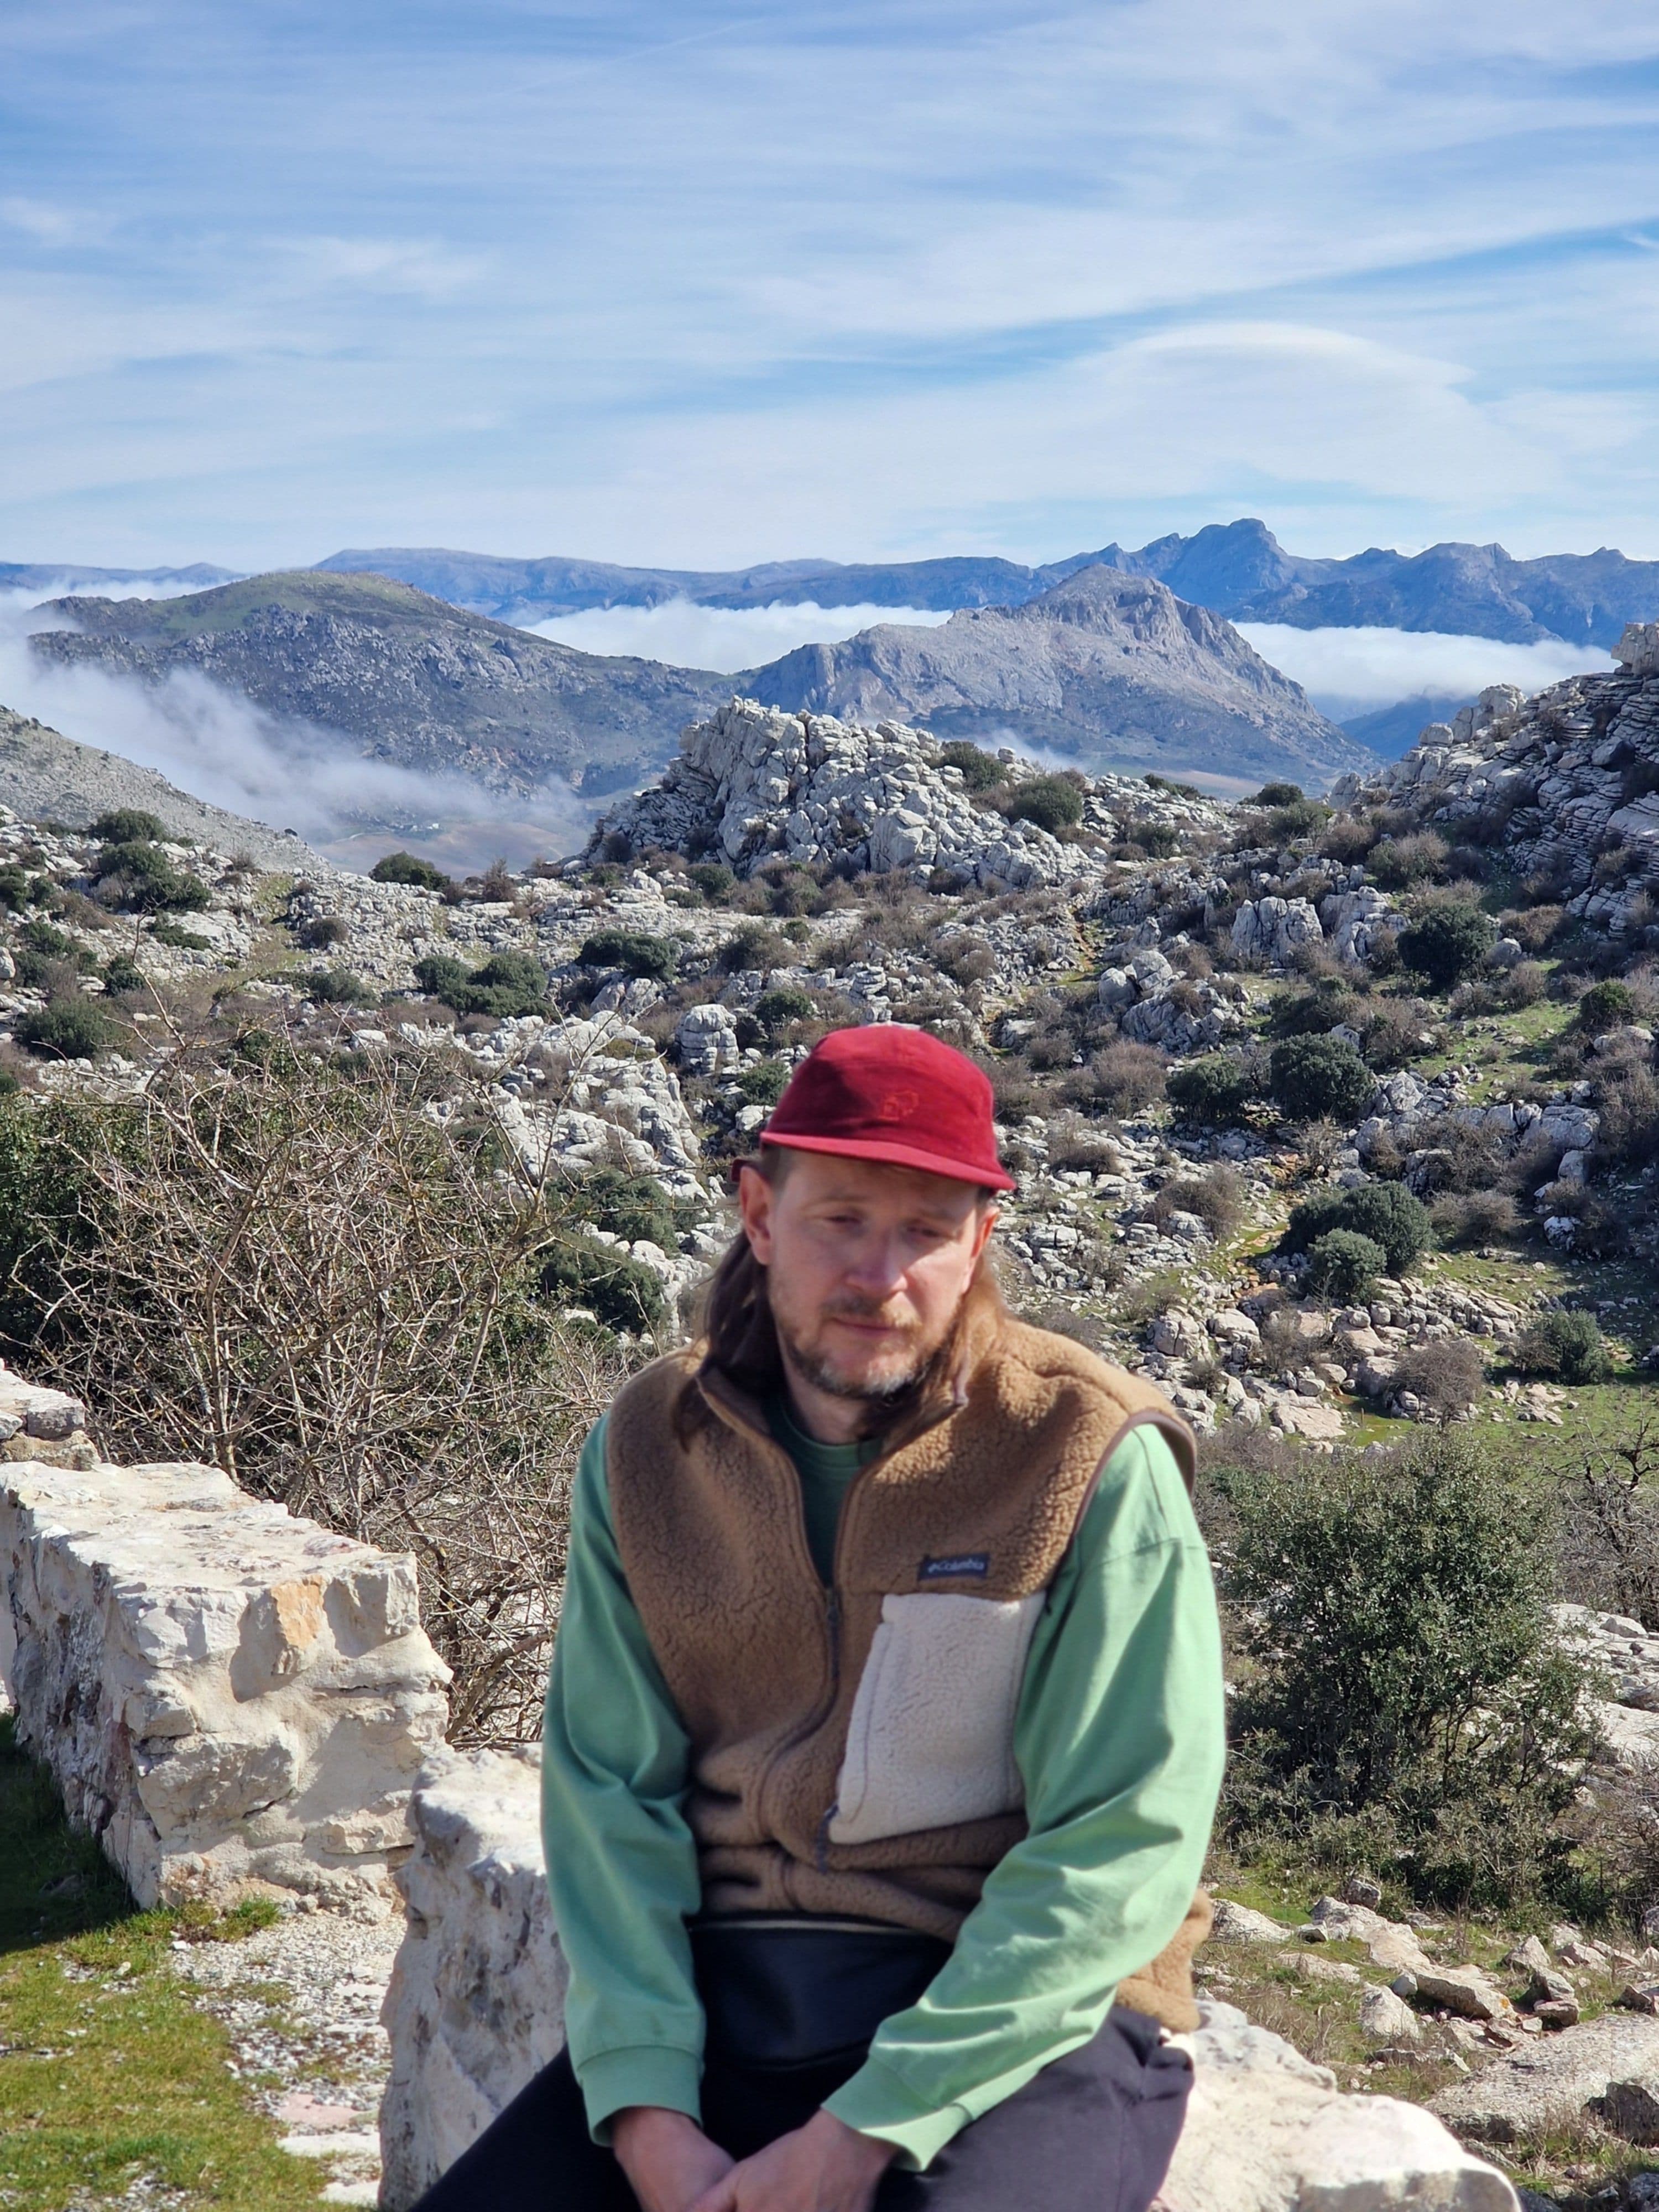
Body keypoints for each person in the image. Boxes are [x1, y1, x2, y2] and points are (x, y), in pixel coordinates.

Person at [415, 1023, 1225, 2212]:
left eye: (926, 1231)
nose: (879, 1275)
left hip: (1021, 2011)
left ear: (979, 1240)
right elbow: (609, 1793)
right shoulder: (650, 1446)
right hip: (734, 1992)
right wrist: (647, 2111)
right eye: (840, 1218)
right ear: (759, 1213)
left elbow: (1121, 1835)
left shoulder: (1083, 1452)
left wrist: (867, 2127)